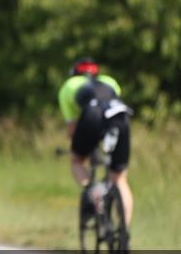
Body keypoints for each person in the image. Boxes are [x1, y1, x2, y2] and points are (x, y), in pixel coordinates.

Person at [57, 57, 133, 228]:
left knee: (77, 161)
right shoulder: (109, 81)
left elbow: (73, 129)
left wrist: (79, 149)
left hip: (92, 115)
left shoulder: (68, 87)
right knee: (120, 179)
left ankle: (93, 192)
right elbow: (109, 110)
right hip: (121, 116)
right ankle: (124, 232)